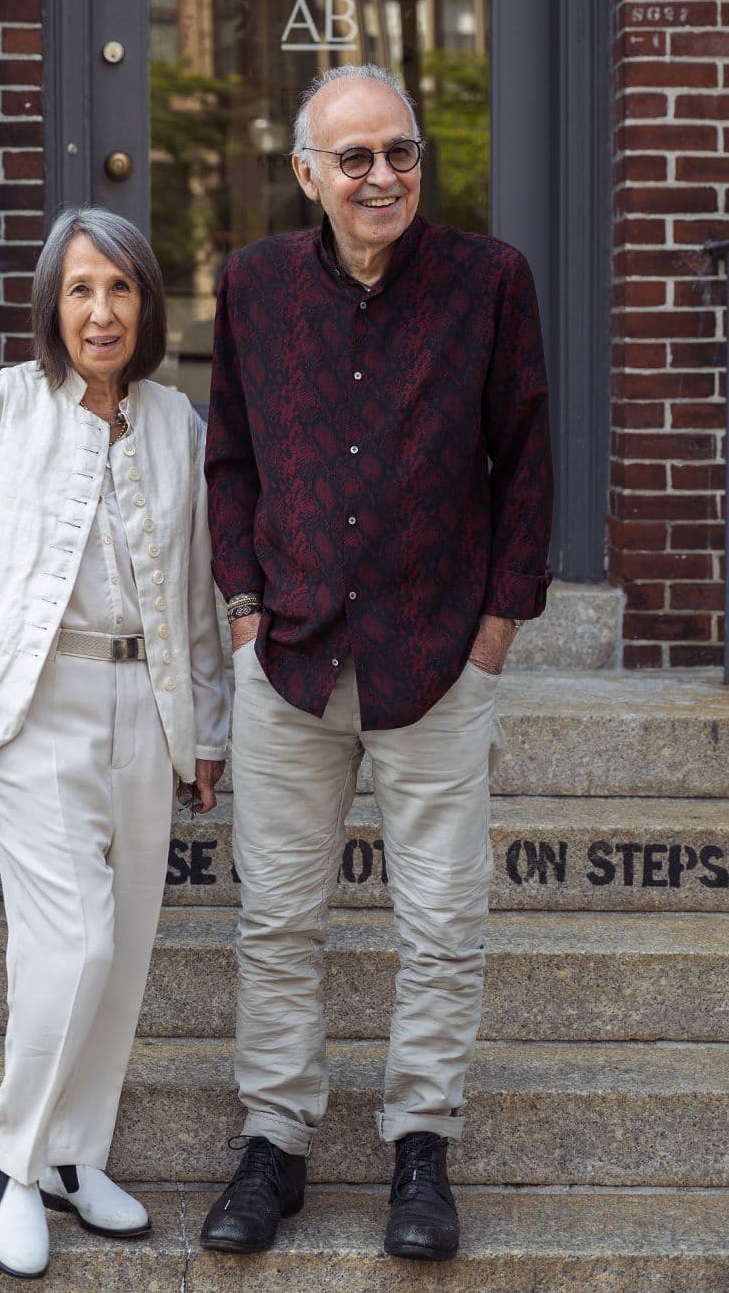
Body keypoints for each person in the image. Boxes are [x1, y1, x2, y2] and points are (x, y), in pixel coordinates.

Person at [200, 64, 552, 1263]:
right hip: (289, 654)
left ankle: (421, 1146)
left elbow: (527, 460)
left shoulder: (490, 283)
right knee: (277, 920)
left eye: (399, 152)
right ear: (308, 174)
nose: (381, 175)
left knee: (443, 922)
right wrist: (244, 606)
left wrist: (497, 628)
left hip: (434, 658)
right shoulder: (251, 287)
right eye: (353, 158)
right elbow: (230, 461)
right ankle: (275, 1143)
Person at [0, 207, 229, 1280]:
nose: (101, 311)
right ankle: (10, 1167)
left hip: (145, 708)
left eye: (119, 289)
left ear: (147, 306)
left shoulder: (180, 427)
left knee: (119, 960)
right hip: (31, 705)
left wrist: (207, 727)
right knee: (71, 946)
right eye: (80, 289)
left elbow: (200, 594)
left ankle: (76, 1158)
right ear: (51, 303)